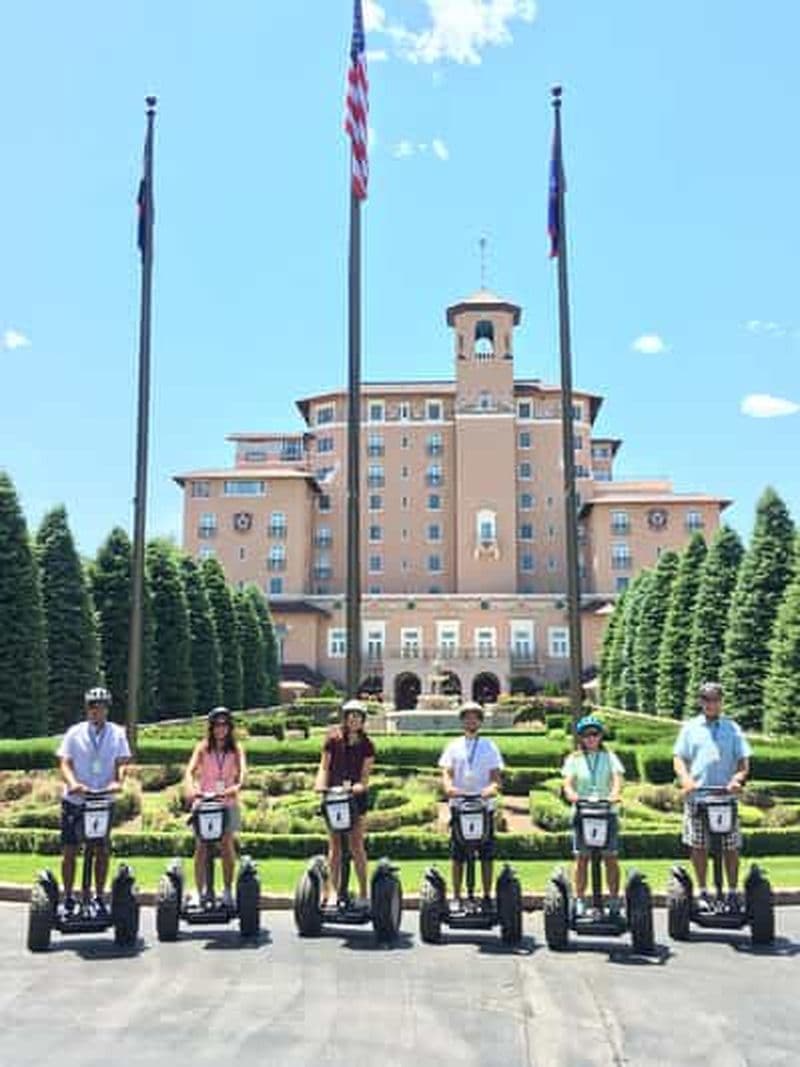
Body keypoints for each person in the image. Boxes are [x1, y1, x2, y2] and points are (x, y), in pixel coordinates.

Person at [673, 681, 751, 909]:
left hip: (725, 797)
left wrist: (738, 779)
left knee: (731, 846)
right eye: (706, 699)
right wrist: (685, 780)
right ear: (700, 702)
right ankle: (703, 890)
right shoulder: (690, 728)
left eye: (715, 699)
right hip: (698, 796)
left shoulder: (733, 728)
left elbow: (743, 762)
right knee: (698, 846)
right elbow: (678, 758)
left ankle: (733, 891)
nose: (711, 704)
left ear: (721, 702)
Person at [56, 686, 131, 915]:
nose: (96, 711)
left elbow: (123, 762)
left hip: (102, 799)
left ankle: (99, 896)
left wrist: (118, 782)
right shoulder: (74, 733)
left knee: (101, 848)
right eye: (92, 707)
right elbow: (65, 762)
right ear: (87, 709)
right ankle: (68, 896)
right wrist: (72, 783)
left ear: (107, 709)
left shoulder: (117, 733)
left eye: (100, 707)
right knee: (70, 849)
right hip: (76, 800)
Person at [438, 701, 504, 909]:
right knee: (458, 854)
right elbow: (447, 773)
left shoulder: (490, 746)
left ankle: (485, 896)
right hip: (460, 805)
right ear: (462, 721)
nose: (471, 720)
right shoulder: (453, 746)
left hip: (484, 806)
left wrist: (491, 789)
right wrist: (449, 787)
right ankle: (457, 897)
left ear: (480, 721)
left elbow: (496, 777)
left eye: (475, 717)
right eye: (467, 717)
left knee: (486, 853)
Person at [562, 714, 625, 917]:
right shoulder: (574, 758)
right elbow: (568, 782)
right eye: (586, 735)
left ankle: (614, 899)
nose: (591, 738)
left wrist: (615, 793)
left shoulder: (609, 757)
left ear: (600, 736)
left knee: (610, 856)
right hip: (583, 812)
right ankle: (580, 899)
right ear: (581, 737)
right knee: (582, 857)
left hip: (607, 812)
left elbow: (617, 778)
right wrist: (572, 794)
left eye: (595, 734)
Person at [314, 699, 375, 908]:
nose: (354, 720)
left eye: (358, 716)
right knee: (335, 846)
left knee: (357, 845)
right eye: (350, 715)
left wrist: (360, 786)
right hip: (333, 798)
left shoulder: (367, 745)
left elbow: (365, 775)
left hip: (356, 799)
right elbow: (324, 766)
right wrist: (320, 785)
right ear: (345, 718)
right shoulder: (332, 739)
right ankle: (331, 891)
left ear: (363, 720)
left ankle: (364, 893)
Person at [184, 707, 247, 908]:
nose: (221, 729)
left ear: (230, 728)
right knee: (201, 846)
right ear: (211, 728)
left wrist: (236, 787)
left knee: (227, 845)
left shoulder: (236, 749)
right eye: (217, 725)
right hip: (204, 802)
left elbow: (243, 772)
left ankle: (228, 891)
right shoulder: (203, 748)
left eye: (224, 725)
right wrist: (192, 788)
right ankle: (199, 891)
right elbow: (190, 771)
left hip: (226, 802)